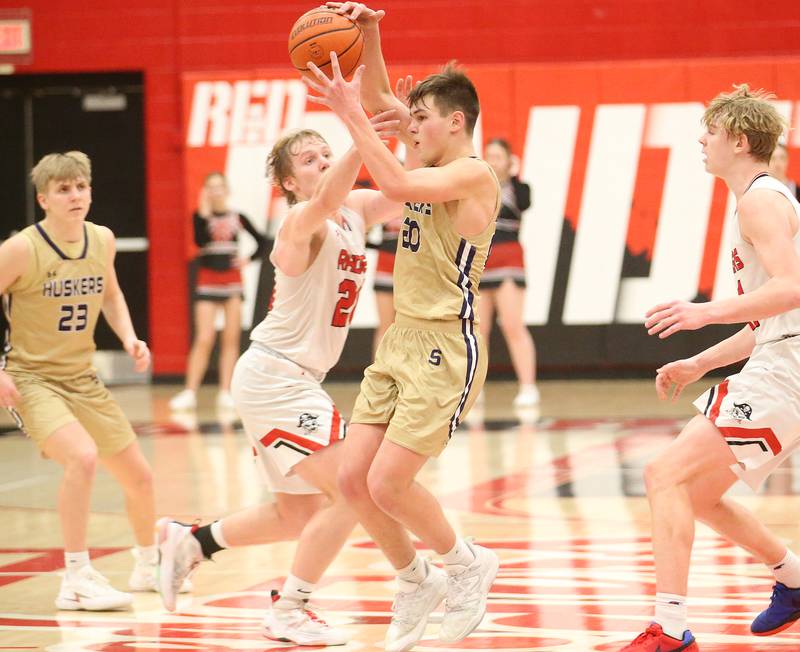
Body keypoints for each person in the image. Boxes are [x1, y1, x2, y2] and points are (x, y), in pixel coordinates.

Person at [157, 114, 404, 646]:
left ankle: (194, 542)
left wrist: (406, 127)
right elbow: (337, 186)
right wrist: (362, 129)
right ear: (289, 183)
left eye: (324, 153)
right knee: (354, 489)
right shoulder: (299, 221)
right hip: (276, 378)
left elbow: (407, 190)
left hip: (293, 379)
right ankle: (289, 607)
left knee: (297, 512)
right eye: (308, 160)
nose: (323, 162)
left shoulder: (355, 210)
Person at [307, 4, 501, 650]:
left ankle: (466, 561)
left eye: (421, 118)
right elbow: (382, 101)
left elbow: (387, 169)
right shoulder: (428, 155)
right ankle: (415, 577)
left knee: (390, 482)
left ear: (457, 122)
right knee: (351, 480)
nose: (408, 125)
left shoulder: (472, 174)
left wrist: (353, 119)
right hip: (400, 342)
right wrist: (369, 33)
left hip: (446, 344)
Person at [616, 85, 800, 651]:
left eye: (711, 132)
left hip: (787, 369)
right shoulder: (761, 198)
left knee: (663, 475)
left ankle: (669, 629)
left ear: (739, 140)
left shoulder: (760, 200)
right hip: (780, 357)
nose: (701, 140)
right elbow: (766, 319)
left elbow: (794, 290)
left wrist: (702, 313)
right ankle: (793, 580)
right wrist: (699, 362)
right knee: (693, 495)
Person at [0, 151, 172, 609]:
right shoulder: (21, 249)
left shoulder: (102, 239)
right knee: (82, 458)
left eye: (81, 187)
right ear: (44, 199)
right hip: (31, 377)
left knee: (139, 476)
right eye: (63, 189)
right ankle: (75, 577)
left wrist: (131, 338)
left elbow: (111, 294)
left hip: (82, 376)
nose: (75, 195)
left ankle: (147, 564)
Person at [169, 172, 268, 411]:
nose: (215, 191)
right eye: (210, 187)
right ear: (205, 191)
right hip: (207, 281)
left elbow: (263, 242)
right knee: (204, 338)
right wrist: (203, 214)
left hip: (233, 283)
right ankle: (190, 391)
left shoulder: (239, 217)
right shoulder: (199, 217)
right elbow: (200, 242)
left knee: (231, 339)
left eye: (219, 187)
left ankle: (226, 391)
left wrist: (247, 259)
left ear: (227, 189)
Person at [480, 137, 539, 407]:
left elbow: (525, 203)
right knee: (479, 329)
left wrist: (513, 176)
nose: (493, 160)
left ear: (509, 161)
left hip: (509, 259)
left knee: (513, 324)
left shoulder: (518, 188)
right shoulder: (477, 186)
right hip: (480, 261)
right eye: (488, 155)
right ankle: (474, 388)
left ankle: (528, 386)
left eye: (498, 156)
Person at [372, 216, 402, 355]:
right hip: (386, 264)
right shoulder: (384, 194)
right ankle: (379, 375)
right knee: (386, 327)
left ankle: (413, 375)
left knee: (416, 327)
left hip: (418, 268)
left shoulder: (428, 195)